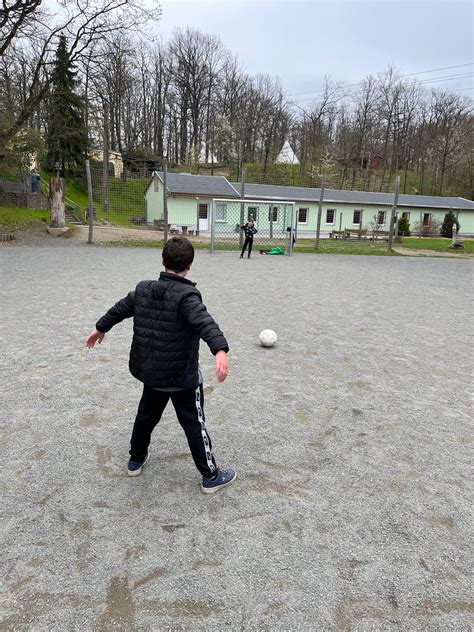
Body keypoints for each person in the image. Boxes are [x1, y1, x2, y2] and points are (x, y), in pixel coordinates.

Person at [85, 236, 236, 494]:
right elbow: (205, 321)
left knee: (146, 415)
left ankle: (136, 459)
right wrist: (219, 350)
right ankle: (210, 475)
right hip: (181, 377)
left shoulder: (143, 289)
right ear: (190, 265)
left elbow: (119, 309)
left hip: (152, 373)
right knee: (193, 423)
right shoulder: (187, 295)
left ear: (162, 260)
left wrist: (100, 328)